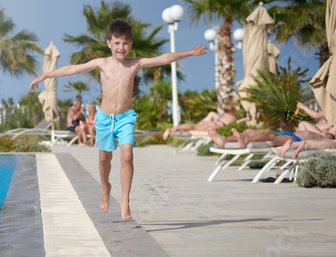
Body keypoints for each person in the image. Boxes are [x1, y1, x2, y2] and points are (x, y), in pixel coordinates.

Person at [30, 18, 207, 220]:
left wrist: (190, 53)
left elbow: (164, 58)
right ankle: (106, 189)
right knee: (105, 159)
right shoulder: (101, 64)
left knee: (127, 156)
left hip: (126, 118)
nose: (121, 47)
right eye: (116, 43)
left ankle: (124, 200)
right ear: (109, 43)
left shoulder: (135, 64)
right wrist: (45, 76)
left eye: (125, 43)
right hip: (105, 118)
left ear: (130, 44)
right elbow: (72, 68)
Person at [162, 101, 243, 140]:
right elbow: (236, 124)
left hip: (210, 122)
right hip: (213, 126)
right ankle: (174, 129)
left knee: (194, 126)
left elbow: (212, 114)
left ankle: (175, 129)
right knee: (193, 127)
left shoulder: (222, 116)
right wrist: (245, 119)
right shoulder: (232, 118)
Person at [207, 127, 335, 149]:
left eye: (329, 133)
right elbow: (303, 123)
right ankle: (224, 139)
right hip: (289, 134)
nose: (325, 132)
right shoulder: (317, 131)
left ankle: (247, 140)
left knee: (271, 137)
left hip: (295, 139)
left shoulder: (326, 140)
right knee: (249, 130)